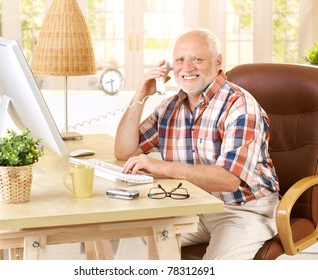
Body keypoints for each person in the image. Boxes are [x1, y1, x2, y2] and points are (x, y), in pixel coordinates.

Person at [114, 27, 280, 260]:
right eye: (179, 60)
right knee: (135, 236)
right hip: (193, 205)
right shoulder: (169, 107)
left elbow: (228, 179)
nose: (187, 68)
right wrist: (142, 94)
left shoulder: (240, 106)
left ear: (218, 62)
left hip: (243, 210)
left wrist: (161, 166)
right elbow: (124, 150)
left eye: (197, 59)